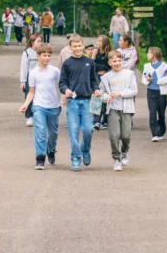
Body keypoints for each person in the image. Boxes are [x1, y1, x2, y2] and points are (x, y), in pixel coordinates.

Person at [58, 35, 100, 171]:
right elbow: (62, 82)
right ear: (70, 48)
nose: (77, 48)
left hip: (88, 101)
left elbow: (94, 80)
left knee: (89, 129)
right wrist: (66, 90)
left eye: (79, 46)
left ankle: (85, 148)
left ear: (83, 46)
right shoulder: (67, 64)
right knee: (73, 130)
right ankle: (75, 157)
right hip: (73, 102)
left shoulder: (90, 62)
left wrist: (97, 89)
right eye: (74, 46)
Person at [19, 43, 61, 169]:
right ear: (38, 56)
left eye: (49, 55)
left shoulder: (55, 71)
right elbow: (31, 91)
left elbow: (62, 86)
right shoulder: (33, 73)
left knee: (53, 134)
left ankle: (51, 150)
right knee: (41, 132)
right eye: (44, 55)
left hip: (53, 106)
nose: (47, 58)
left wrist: (65, 98)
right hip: (39, 105)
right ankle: (40, 158)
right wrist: (26, 105)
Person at [99, 50, 138, 171]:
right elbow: (102, 93)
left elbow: (134, 90)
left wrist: (120, 93)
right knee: (114, 136)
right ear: (109, 63)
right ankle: (116, 159)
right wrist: (107, 97)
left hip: (126, 108)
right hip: (113, 109)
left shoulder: (129, 74)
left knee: (125, 135)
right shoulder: (106, 77)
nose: (117, 63)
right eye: (114, 61)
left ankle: (125, 151)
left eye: (119, 60)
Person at [141, 46, 167, 141]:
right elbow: (143, 78)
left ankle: (161, 130)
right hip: (151, 91)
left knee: (161, 113)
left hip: (161, 93)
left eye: (148, 52)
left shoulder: (165, 66)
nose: (147, 54)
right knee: (152, 113)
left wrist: (160, 80)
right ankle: (154, 133)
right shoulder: (146, 66)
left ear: (154, 54)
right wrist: (147, 80)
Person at [19, 33, 42, 127]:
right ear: (33, 42)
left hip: (40, 76)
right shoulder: (27, 52)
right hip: (30, 77)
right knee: (29, 96)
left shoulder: (42, 51)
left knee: (40, 96)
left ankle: (39, 115)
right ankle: (29, 116)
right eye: (38, 41)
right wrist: (23, 81)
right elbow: (24, 67)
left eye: (41, 41)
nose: (40, 43)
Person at [92, 36, 112, 130]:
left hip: (106, 78)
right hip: (96, 77)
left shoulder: (109, 53)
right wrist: (102, 67)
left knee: (105, 99)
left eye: (99, 41)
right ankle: (96, 121)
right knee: (96, 97)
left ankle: (105, 121)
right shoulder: (96, 52)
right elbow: (92, 64)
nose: (97, 43)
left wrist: (104, 67)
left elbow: (109, 66)